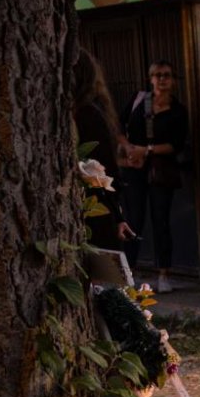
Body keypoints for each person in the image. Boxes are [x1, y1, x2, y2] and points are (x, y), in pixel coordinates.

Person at [120, 60, 189, 293]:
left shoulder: (178, 111)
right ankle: (129, 272)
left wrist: (147, 150)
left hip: (161, 169)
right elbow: (118, 126)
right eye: (157, 75)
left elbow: (176, 144)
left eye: (166, 75)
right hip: (134, 168)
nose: (162, 79)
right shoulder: (138, 101)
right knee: (133, 220)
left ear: (173, 80)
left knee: (161, 220)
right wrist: (129, 149)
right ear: (150, 79)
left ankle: (163, 274)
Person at [73, 50, 135, 252]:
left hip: (94, 207)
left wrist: (117, 215)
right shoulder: (88, 111)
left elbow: (104, 170)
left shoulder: (88, 113)